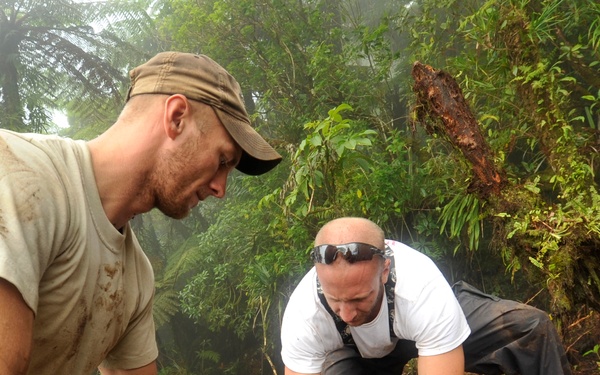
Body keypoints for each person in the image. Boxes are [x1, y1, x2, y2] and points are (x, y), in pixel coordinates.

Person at [0, 51, 282, 375]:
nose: (221, 188)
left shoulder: (136, 276)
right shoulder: (18, 175)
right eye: (222, 160)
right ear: (176, 117)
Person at [281, 217, 572, 375]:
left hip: (419, 319)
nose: (345, 314)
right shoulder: (303, 315)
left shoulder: (420, 286)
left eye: (358, 299)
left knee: (529, 327)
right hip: (357, 356)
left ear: (384, 271)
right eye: (335, 301)